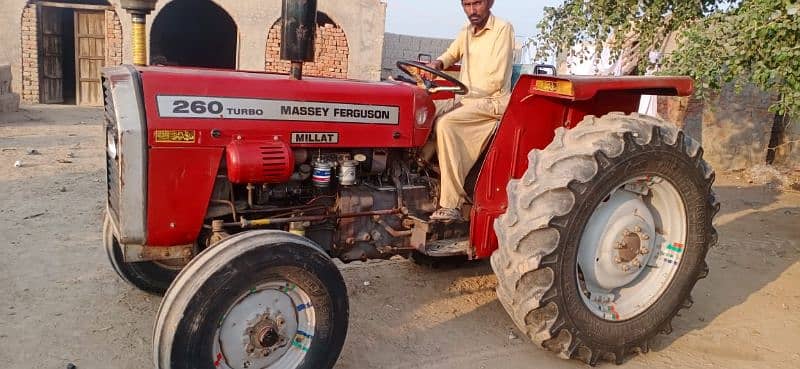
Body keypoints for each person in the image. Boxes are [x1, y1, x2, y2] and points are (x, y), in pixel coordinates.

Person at [426, 0, 515, 221]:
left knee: (447, 123)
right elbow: (451, 54)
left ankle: (451, 204)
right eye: (466, 5)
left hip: (492, 102)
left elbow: (495, 79)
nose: (472, 10)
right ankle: (422, 180)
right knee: (421, 112)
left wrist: (461, 95)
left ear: (490, 2)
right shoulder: (465, 31)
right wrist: (437, 64)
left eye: (477, 3)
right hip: (466, 99)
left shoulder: (502, 29)